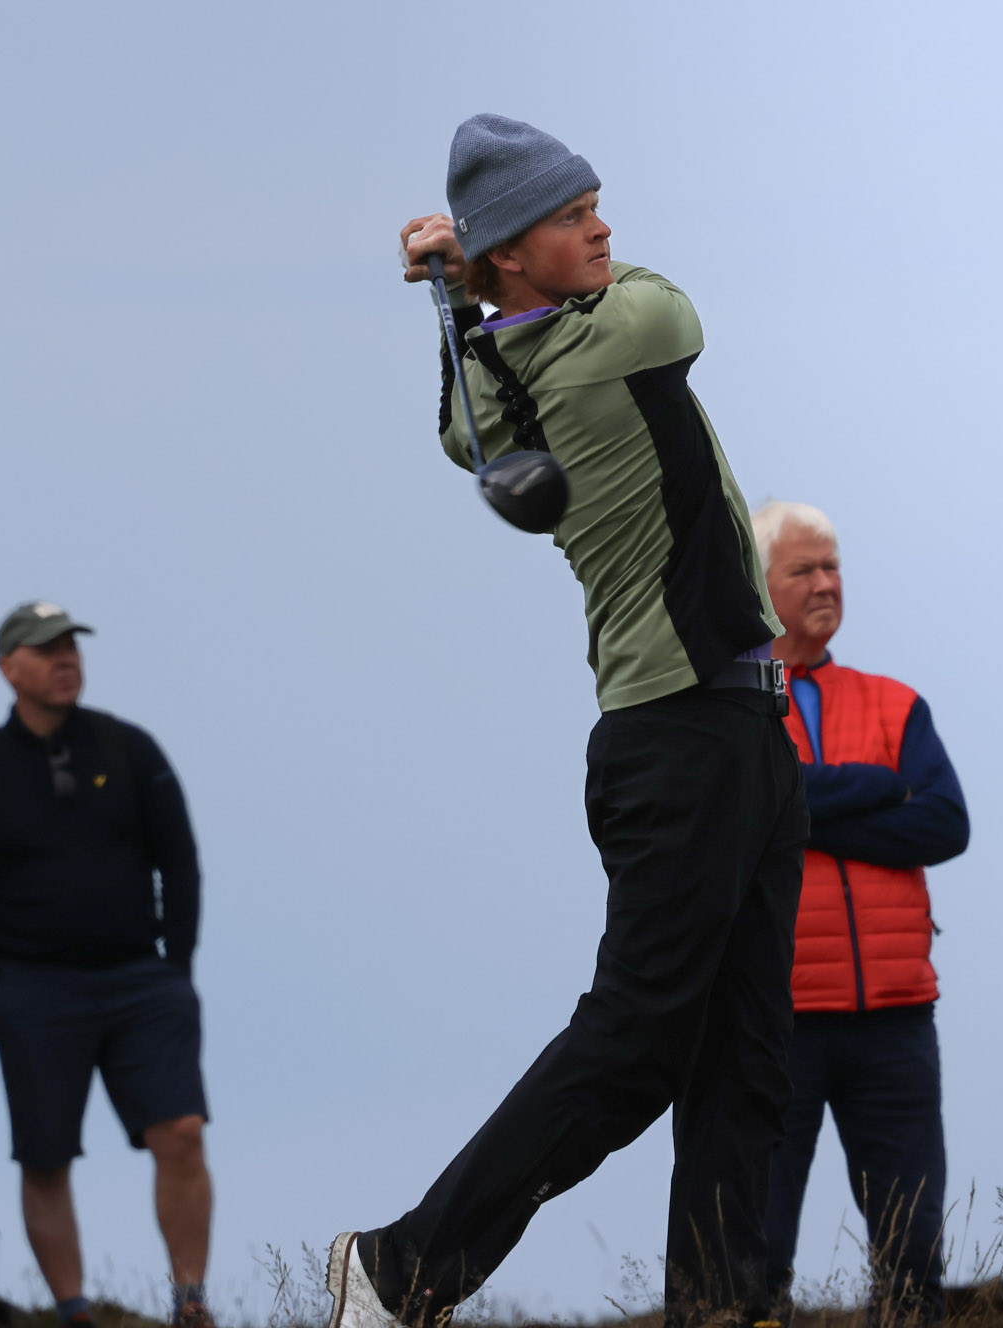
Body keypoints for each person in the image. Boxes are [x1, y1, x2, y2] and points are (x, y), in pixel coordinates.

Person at [328, 116, 806, 1328]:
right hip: (681, 734)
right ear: (508, 257)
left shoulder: (518, 357)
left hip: (738, 729)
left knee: (745, 1055)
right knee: (640, 1043)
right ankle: (400, 1270)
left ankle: (722, 1309)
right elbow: (668, 305)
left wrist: (453, 296)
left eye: (599, 202)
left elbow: (464, 426)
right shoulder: (619, 338)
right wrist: (463, 278)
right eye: (571, 213)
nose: (602, 227)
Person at [0, 602, 212, 1328]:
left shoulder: (130, 749)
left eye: (70, 647)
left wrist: (175, 970)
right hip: (32, 988)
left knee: (180, 1131)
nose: (66, 659)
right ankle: (74, 1311)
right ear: (9, 668)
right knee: (46, 1156)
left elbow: (179, 862)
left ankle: (191, 1301)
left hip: (140, 981)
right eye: (45, 649)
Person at [751, 502, 970, 1323]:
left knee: (913, 1260)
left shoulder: (895, 703)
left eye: (832, 567)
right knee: (755, 1259)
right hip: (779, 1018)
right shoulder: (735, 706)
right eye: (804, 570)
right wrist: (878, 787)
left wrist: (804, 808)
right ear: (760, 585)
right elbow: (748, 812)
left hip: (896, 1018)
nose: (824, 584)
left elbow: (946, 823)